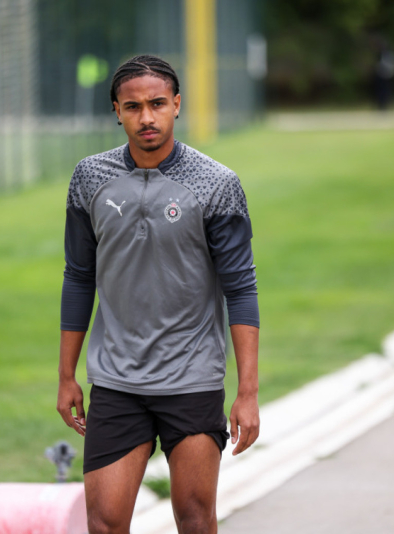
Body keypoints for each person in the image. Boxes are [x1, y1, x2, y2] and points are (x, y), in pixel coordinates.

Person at [56, 54, 260, 534]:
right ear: (116, 111)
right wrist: (66, 376)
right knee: (104, 523)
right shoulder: (90, 178)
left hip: (192, 377)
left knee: (194, 519)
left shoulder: (216, 183)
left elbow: (240, 288)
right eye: (133, 107)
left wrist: (247, 393)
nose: (146, 117)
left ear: (177, 104)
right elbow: (79, 276)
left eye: (157, 104)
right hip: (116, 380)